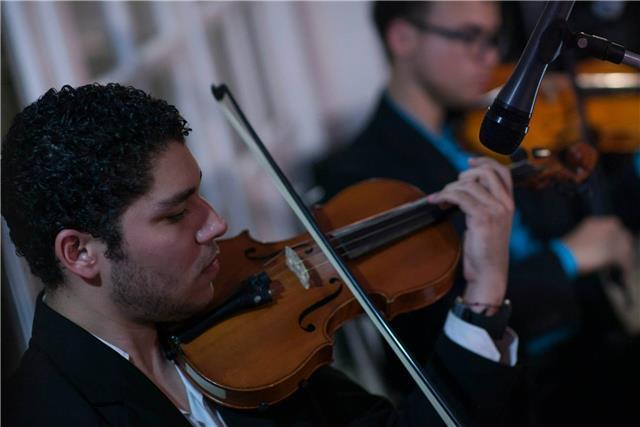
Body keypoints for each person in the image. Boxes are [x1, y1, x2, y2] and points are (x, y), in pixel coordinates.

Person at [2, 83, 522, 426]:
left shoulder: (244, 331)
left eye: (200, 195)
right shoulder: (47, 414)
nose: (217, 224)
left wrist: (482, 296)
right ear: (80, 253)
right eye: (176, 214)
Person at [314, 1, 639, 425]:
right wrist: (566, 257)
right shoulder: (360, 176)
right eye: (470, 36)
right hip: (521, 388)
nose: (490, 56)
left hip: (588, 340)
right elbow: (431, 321)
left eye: (493, 38)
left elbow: (577, 209)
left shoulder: (484, 129)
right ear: (402, 38)